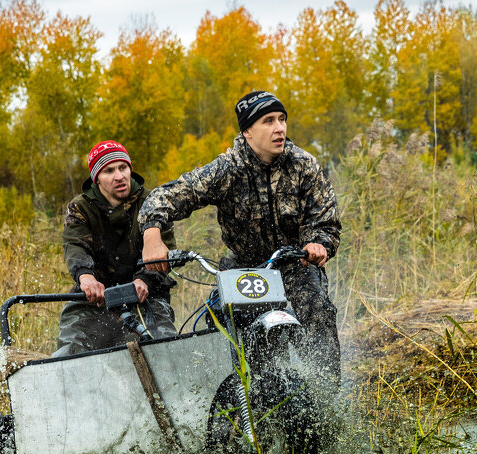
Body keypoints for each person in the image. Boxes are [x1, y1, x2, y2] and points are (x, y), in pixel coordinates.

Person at [138, 90, 342, 381]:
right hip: (243, 268)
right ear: (247, 131)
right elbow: (166, 196)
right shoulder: (227, 168)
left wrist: (318, 244)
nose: (279, 128)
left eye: (282, 119)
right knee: (215, 322)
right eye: (268, 121)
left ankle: (326, 395)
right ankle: (227, 401)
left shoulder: (303, 165)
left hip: (295, 264)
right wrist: (152, 235)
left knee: (318, 309)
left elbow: (327, 222)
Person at [55, 140, 177, 356]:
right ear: (97, 179)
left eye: (123, 167)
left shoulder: (152, 202)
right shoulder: (80, 208)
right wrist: (86, 278)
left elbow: (165, 250)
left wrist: (144, 279)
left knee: (165, 347)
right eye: (109, 170)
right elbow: (75, 246)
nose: (119, 176)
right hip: (95, 298)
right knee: (70, 352)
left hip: (146, 294)